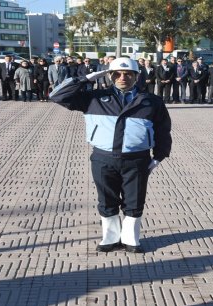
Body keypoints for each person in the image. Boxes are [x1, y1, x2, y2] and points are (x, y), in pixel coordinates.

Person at [49, 57, 172, 253]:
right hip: (103, 158)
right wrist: (86, 78)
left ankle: (131, 239)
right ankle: (110, 237)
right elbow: (57, 96)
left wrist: (159, 156)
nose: (123, 77)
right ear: (110, 76)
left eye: (128, 74)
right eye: (117, 74)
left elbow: (163, 130)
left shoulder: (151, 101)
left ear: (136, 76)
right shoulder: (94, 98)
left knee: (135, 200)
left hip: (137, 159)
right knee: (106, 199)